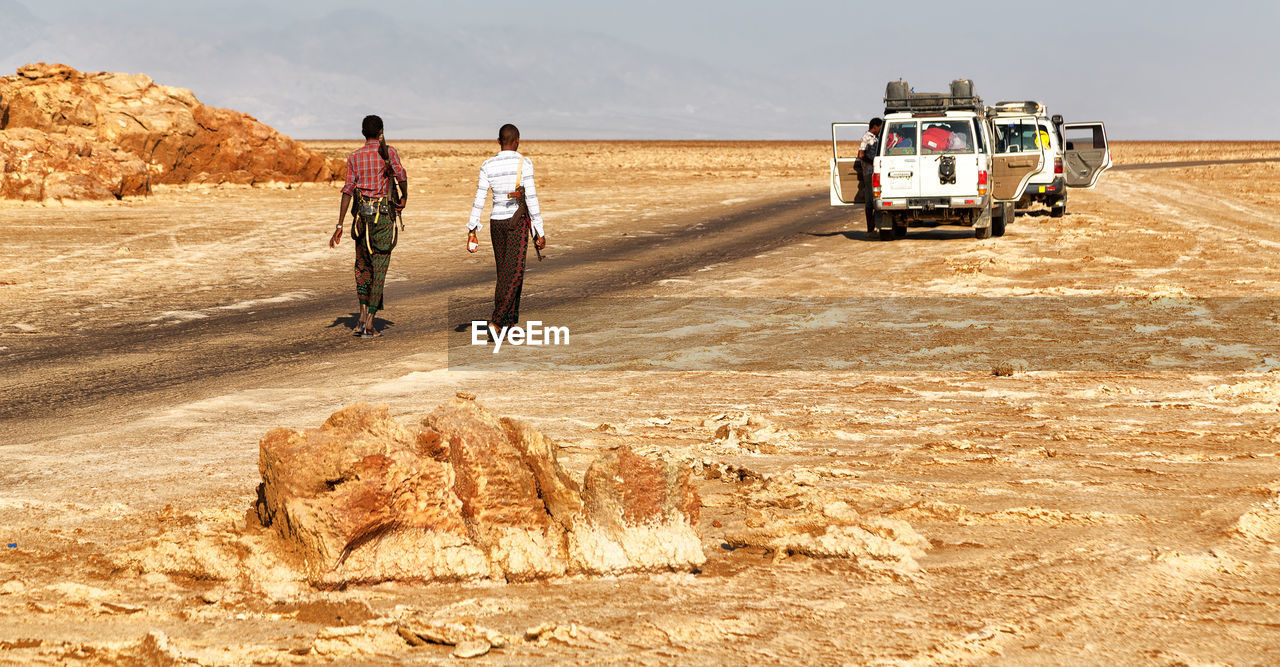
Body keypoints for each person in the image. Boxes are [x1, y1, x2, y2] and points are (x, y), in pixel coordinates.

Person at [329, 115, 407, 338]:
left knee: (362, 267)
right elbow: (401, 176)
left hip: (360, 219)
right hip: (382, 218)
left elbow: (347, 190)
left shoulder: (354, 157)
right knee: (379, 268)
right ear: (381, 131)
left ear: (363, 132)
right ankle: (370, 323)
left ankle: (361, 317)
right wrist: (404, 198)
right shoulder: (388, 153)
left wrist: (339, 224)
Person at [466, 123, 546, 332]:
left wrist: (472, 229)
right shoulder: (524, 163)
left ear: (499, 141)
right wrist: (540, 231)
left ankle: (509, 323)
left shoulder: (487, 165)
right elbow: (532, 198)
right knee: (514, 273)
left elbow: (479, 197)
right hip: (515, 223)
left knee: (506, 272)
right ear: (517, 140)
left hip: (496, 223)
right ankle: (498, 320)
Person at [857, 118, 883, 229]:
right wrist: (873, 162)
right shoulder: (866, 138)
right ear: (875, 126)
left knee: (876, 200)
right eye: (880, 127)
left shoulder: (876, 138)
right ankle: (870, 229)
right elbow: (861, 155)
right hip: (869, 173)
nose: (880, 130)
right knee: (870, 202)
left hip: (876, 172)